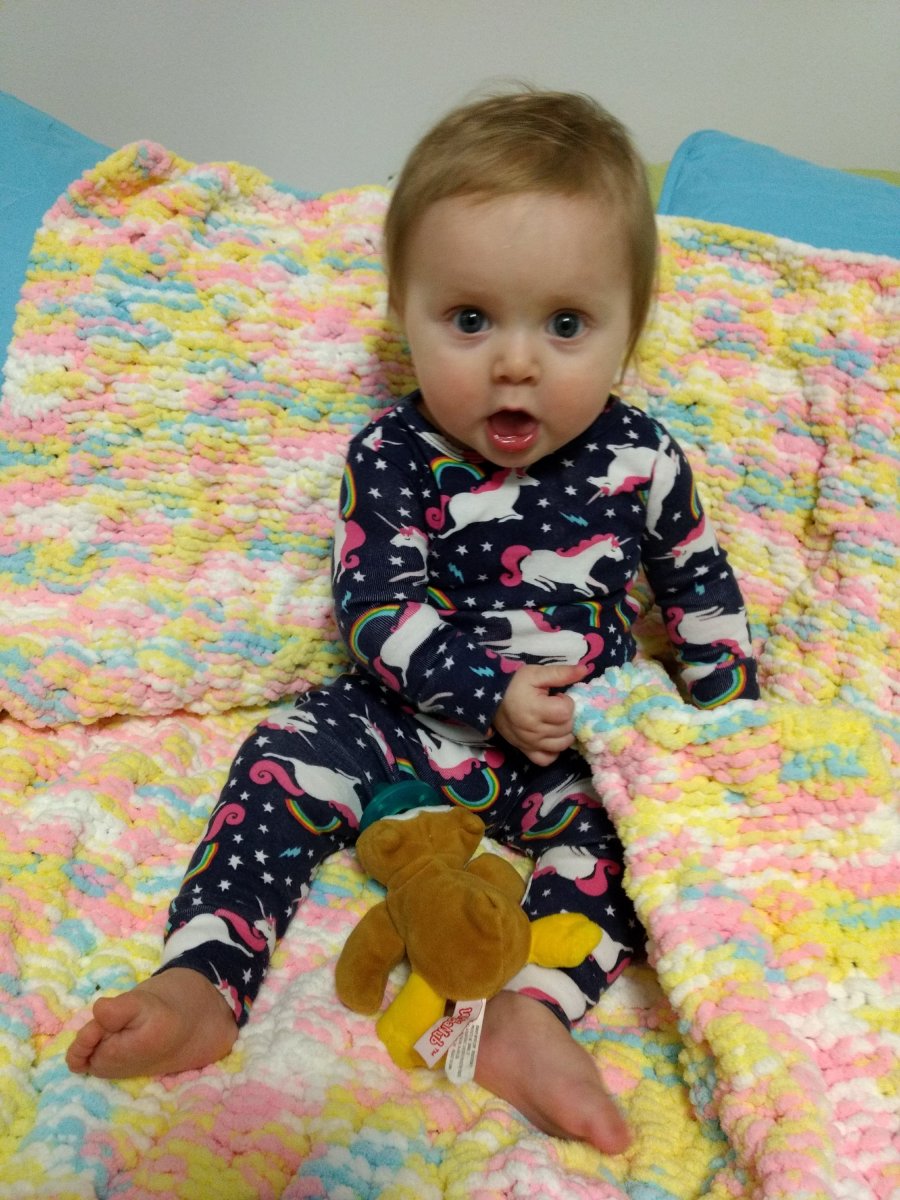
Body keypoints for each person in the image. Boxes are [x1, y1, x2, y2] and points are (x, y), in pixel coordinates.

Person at [66, 89, 758, 1155]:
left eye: (565, 324)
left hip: (574, 743)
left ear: (630, 327)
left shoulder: (645, 460)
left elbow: (702, 594)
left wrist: (728, 733)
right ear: (406, 314)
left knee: (638, 843)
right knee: (286, 751)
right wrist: (487, 692)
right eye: (470, 320)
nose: (516, 362)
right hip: (410, 724)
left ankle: (526, 1015)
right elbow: (376, 609)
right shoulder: (393, 454)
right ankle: (205, 975)